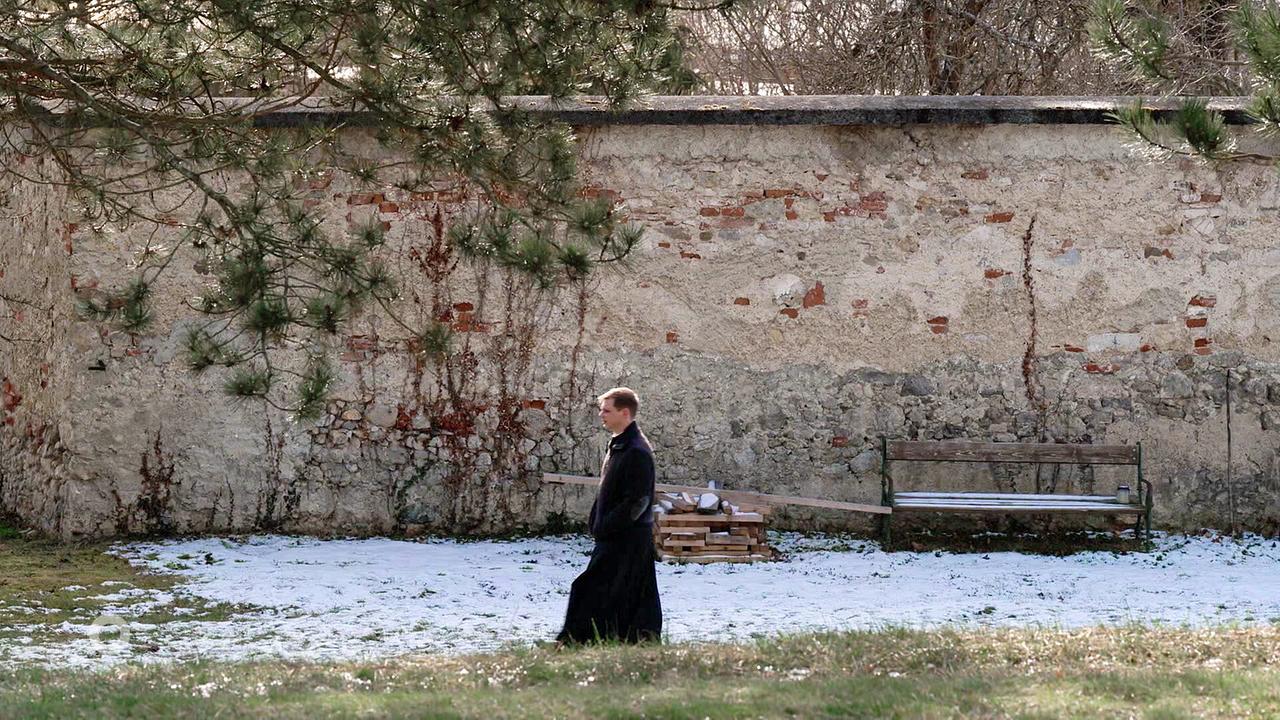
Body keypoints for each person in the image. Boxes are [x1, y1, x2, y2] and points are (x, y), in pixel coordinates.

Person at [556, 387, 662, 644]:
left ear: (624, 413)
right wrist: (597, 519)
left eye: (607, 410)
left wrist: (607, 526)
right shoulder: (621, 445)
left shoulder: (636, 450)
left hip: (627, 537)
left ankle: (574, 640)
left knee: (591, 588)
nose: (601, 415)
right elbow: (609, 491)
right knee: (628, 593)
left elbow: (637, 501)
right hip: (617, 534)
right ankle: (634, 639)